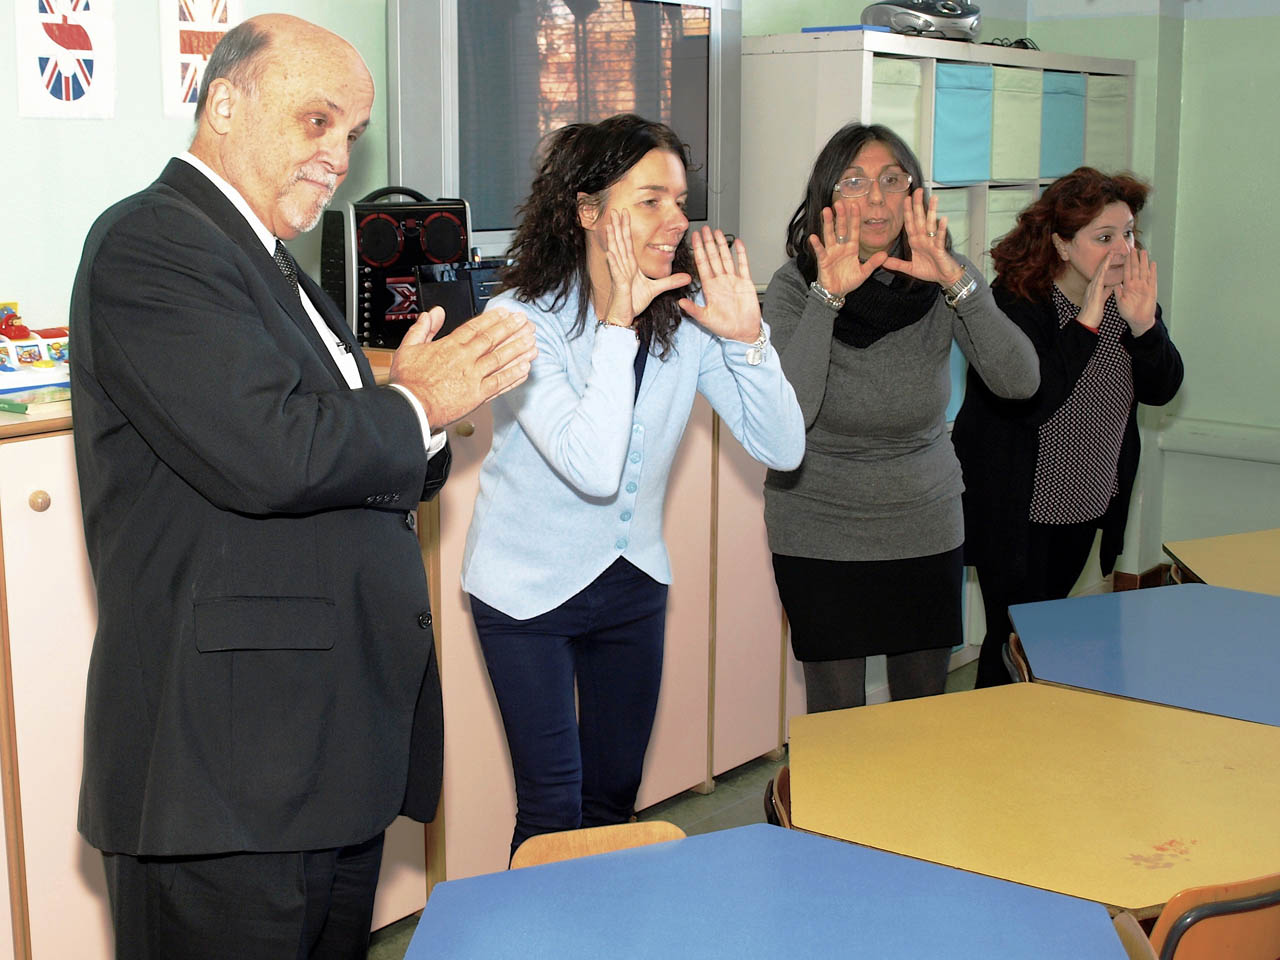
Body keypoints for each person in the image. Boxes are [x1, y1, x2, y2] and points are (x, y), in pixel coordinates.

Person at [70, 15, 536, 959]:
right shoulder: (152, 243)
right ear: (225, 101)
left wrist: (417, 408)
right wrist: (419, 403)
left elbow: (347, 439)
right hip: (225, 778)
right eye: (317, 121)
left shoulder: (265, 256)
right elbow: (273, 450)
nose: (337, 158)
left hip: (320, 760)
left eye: (352, 135)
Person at [459, 114, 805, 856]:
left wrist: (748, 342)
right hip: (524, 592)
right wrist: (617, 324)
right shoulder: (519, 321)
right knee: (552, 812)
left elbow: (785, 446)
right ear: (588, 211)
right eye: (651, 199)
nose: (677, 219)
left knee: (612, 803)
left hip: (631, 581)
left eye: (680, 200)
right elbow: (593, 467)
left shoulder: (684, 318)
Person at [762, 122, 1040, 714]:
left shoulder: (943, 275)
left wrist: (960, 284)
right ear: (827, 199)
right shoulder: (794, 287)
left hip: (924, 518)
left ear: (913, 195)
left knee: (920, 718)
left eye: (893, 179)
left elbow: (1020, 382)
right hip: (819, 523)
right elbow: (791, 412)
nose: (876, 197)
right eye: (855, 181)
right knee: (838, 720)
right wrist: (828, 298)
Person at [952, 167, 1183, 688]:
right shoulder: (1015, 303)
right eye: (1104, 237)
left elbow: (1163, 388)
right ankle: (987, 755)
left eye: (1128, 234)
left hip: (1084, 502)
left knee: (1047, 635)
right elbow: (1032, 396)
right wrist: (1090, 319)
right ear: (1060, 244)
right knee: (1012, 640)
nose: (1122, 249)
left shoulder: (1130, 302)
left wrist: (1146, 327)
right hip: (1015, 507)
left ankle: (1034, 755)